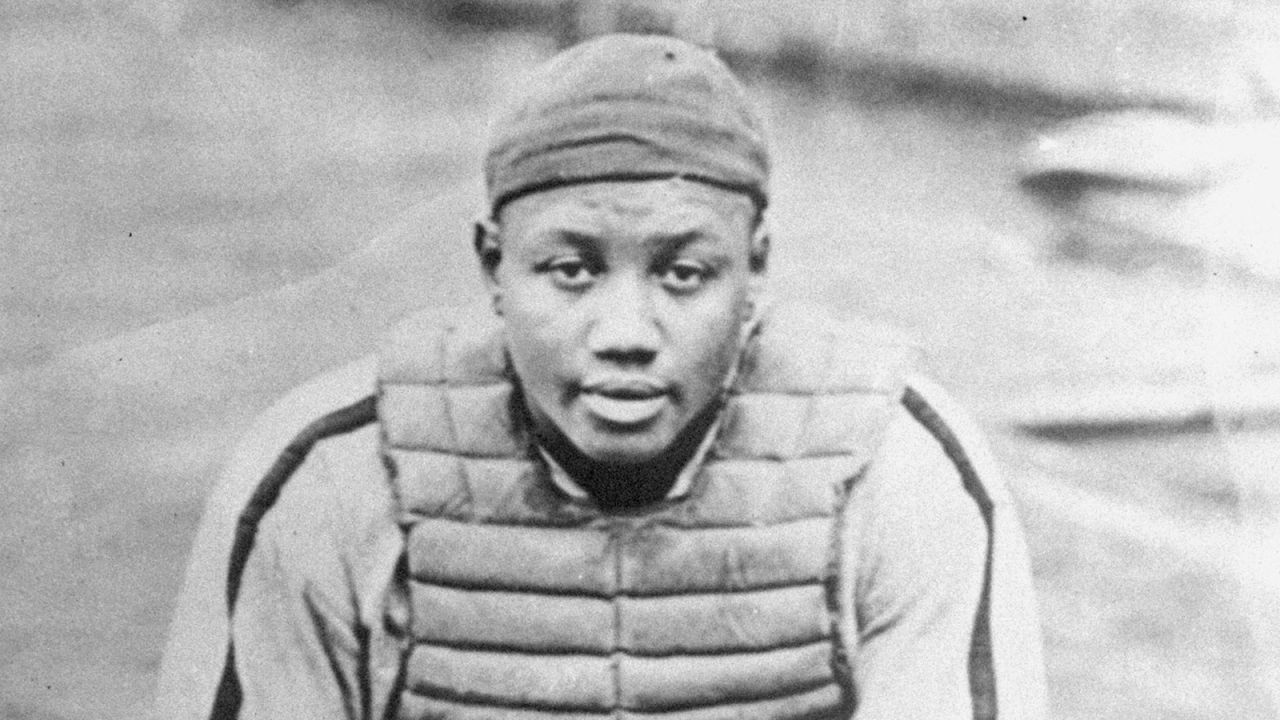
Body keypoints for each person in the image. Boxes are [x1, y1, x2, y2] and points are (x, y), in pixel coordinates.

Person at [156, 32, 1046, 720]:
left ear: (757, 270)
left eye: (683, 274)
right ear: (493, 266)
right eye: (572, 271)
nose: (627, 335)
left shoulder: (898, 471)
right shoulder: (328, 478)